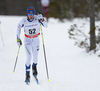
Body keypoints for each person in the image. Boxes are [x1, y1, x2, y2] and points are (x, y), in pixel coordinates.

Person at [16, 6, 48, 83]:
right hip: (27, 40)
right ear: (27, 14)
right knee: (29, 57)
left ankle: (34, 68)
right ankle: (27, 75)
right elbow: (18, 28)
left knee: (36, 57)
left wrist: (42, 19)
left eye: (32, 14)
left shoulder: (37, 18)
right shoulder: (23, 20)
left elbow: (46, 26)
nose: (31, 16)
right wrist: (18, 38)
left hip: (36, 39)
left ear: (34, 14)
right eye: (29, 14)